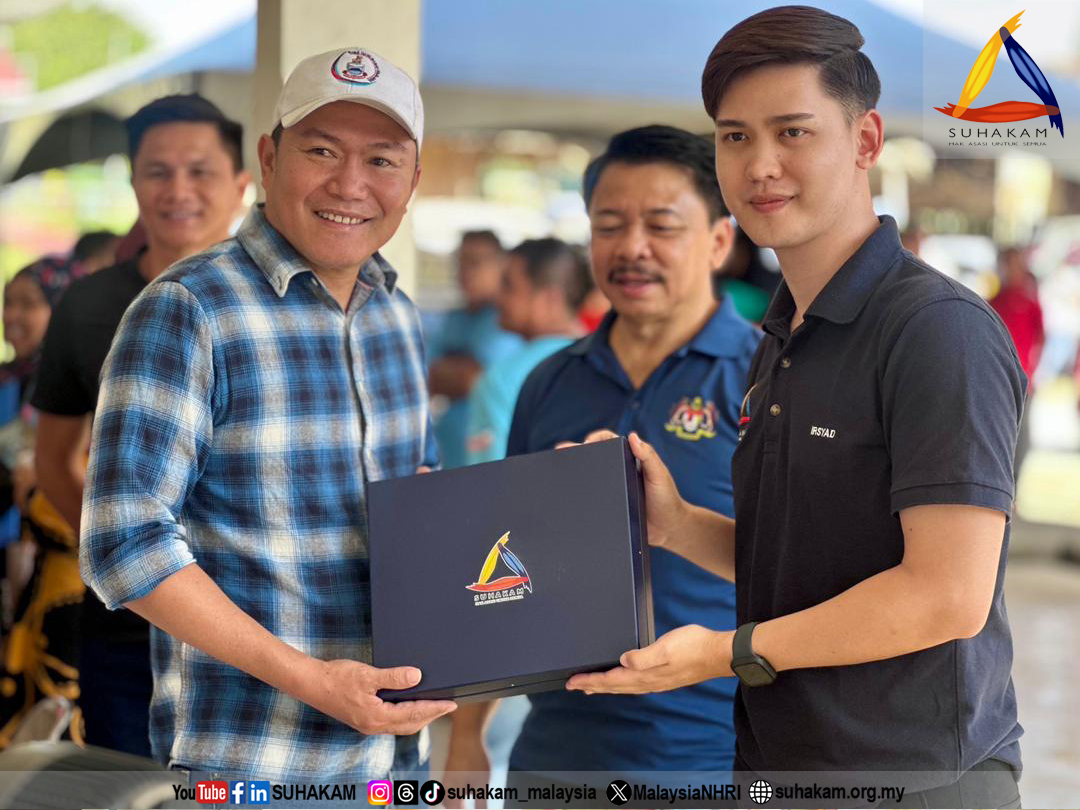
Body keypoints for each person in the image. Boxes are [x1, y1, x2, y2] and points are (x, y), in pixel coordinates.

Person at [567, 8, 1025, 808]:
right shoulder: (784, 332)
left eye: (793, 132)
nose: (760, 165)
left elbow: (949, 594)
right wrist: (675, 524)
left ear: (866, 140)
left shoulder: (936, 329)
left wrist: (726, 652)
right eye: (735, 137)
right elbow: (811, 564)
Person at [79, 47, 456, 780]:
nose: (350, 184)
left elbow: (421, 503)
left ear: (413, 180)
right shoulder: (189, 308)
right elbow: (122, 542)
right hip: (249, 764)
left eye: (382, 160)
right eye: (321, 151)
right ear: (270, 158)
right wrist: (311, 680)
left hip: (394, 762)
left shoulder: (397, 315)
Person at [447, 126, 760, 792]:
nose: (632, 247)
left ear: (719, 241)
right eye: (609, 225)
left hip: (715, 760)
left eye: (661, 225)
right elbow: (503, 562)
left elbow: (808, 572)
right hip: (556, 759)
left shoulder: (766, 380)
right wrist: (468, 736)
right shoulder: (550, 382)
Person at [32, 94, 250, 757]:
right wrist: (118, 549)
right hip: (126, 629)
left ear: (243, 182)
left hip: (258, 622)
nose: (178, 190)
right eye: (158, 172)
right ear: (133, 183)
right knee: (130, 791)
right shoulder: (88, 304)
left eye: (200, 170)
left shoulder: (280, 302)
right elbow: (55, 457)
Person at [0, 256, 85, 747]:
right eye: (7, 302)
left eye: (29, 304)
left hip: (66, 591)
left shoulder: (83, 393)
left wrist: (37, 483)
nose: (12, 316)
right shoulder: (6, 381)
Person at [464, 238, 588, 465]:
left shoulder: (500, 381)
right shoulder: (605, 364)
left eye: (508, 286)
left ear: (551, 299)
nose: (497, 297)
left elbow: (487, 479)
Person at [429, 231, 522, 468]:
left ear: (501, 265)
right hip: (449, 456)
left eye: (475, 262)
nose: (464, 272)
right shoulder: (454, 318)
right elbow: (422, 377)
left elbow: (472, 380)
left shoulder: (505, 319)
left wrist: (446, 373)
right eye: (460, 262)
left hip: (491, 458)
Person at [990, 246, 1044, 479]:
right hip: (998, 381)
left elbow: (1041, 337)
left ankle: (1014, 485)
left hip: (1024, 380)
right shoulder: (994, 302)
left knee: (1021, 438)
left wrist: (1035, 368)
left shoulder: (1030, 302)